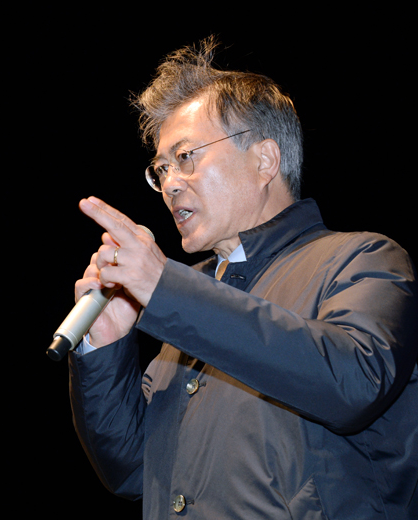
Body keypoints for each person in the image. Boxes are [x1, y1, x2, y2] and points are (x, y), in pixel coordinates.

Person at [68, 36, 418, 519]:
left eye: (186, 157)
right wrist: (104, 348)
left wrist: (166, 288)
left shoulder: (362, 259)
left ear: (265, 160)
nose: (170, 184)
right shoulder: (191, 297)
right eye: (161, 169)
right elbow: (132, 471)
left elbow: (353, 385)